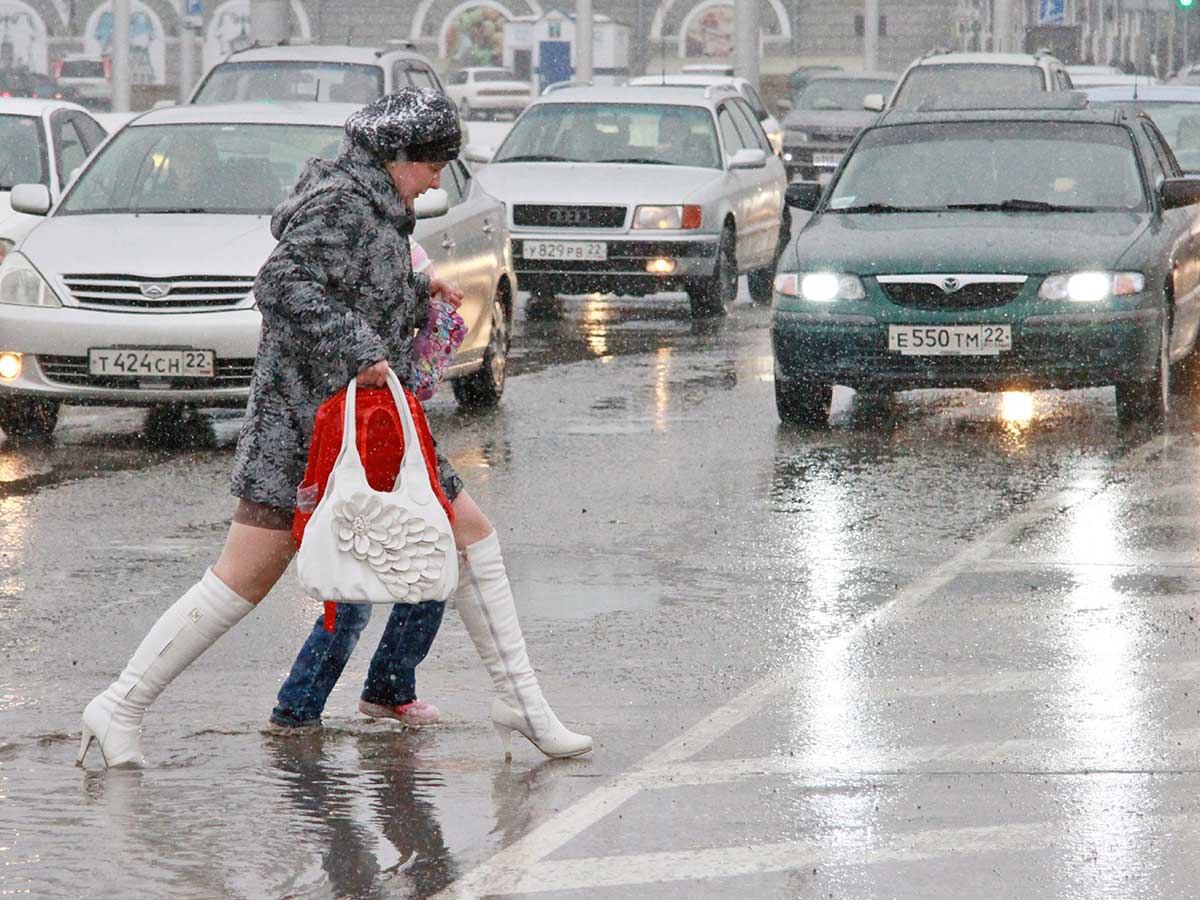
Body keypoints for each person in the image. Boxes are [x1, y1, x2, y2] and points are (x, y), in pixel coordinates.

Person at [77, 87, 593, 768]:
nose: (437, 179)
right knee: (240, 581)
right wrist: (361, 349)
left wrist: (417, 292)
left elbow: (347, 282)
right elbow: (281, 283)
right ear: (397, 155)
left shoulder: (371, 203)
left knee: (470, 539)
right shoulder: (345, 203)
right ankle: (119, 705)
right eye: (433, 163)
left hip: (348, 425)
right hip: (314, 428)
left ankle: (521, 701)